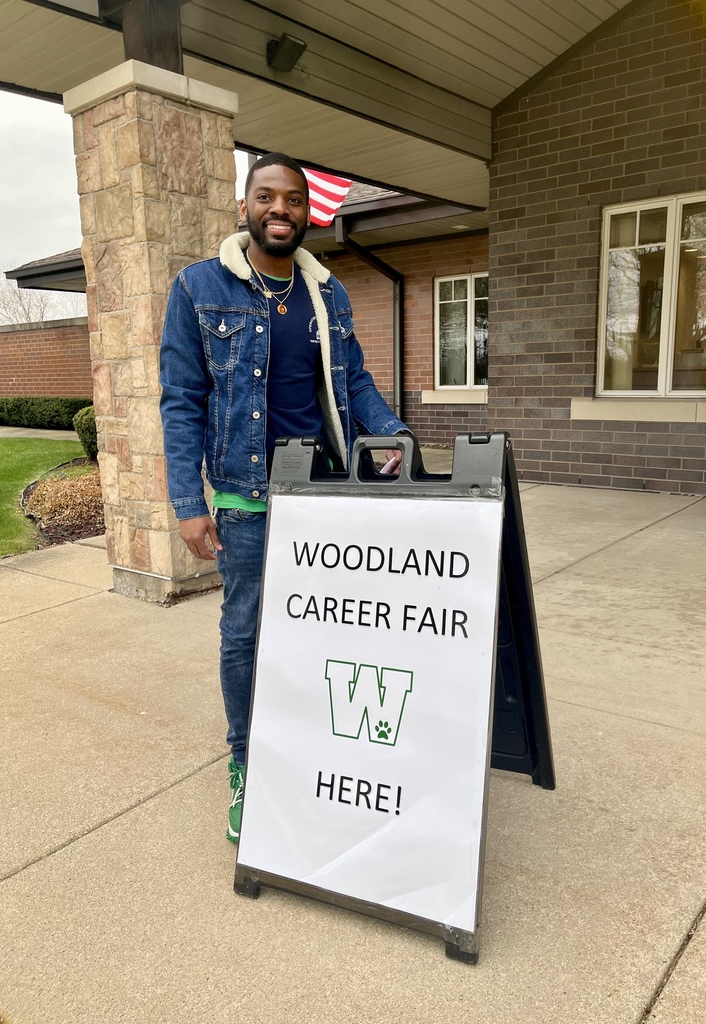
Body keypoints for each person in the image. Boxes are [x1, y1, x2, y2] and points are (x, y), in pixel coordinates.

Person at [159, 152, 409, 843]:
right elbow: (181, 400)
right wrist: (187, 500)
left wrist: (393, 436)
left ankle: (309, 746)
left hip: (323, 491)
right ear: (245, 208)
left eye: (293, 200)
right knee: (246, 630)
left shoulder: (327, 294)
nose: (280, 210)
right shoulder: (199, 288)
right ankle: (246, 762)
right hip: (244, 496)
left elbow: (352, 381)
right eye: (266, 197)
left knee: (321, 626)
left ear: (308, 212)